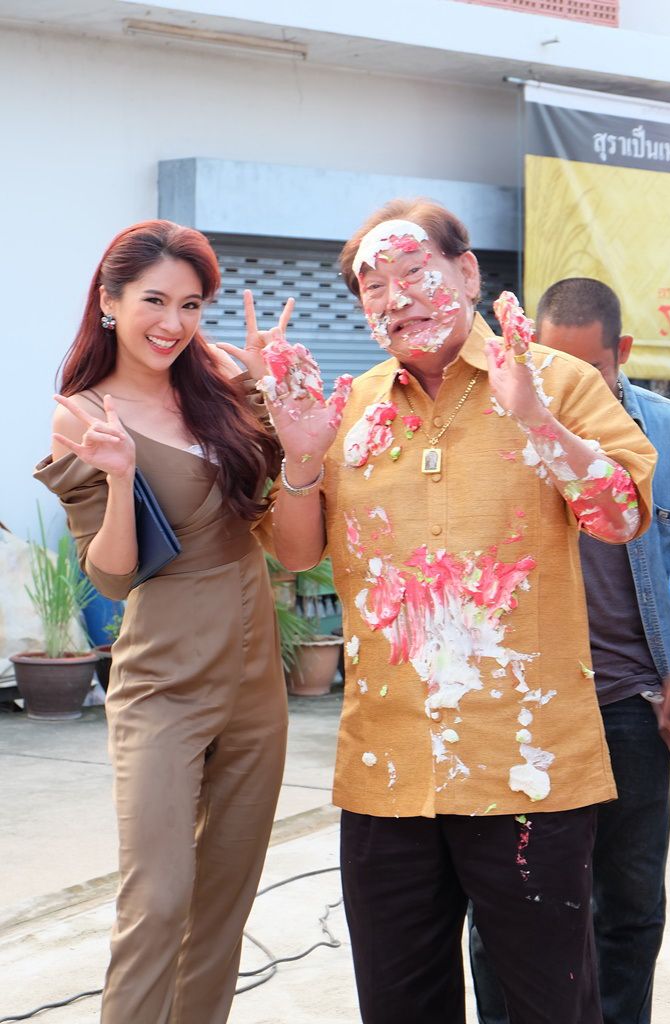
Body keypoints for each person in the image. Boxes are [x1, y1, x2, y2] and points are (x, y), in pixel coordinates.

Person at [260, 199, 657, 1024]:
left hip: (527, 768)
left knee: (549, 1005)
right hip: (387, 768)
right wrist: (299, 457)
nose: (397, 297)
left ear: (467, 272)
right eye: (374, 287)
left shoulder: (554, 380)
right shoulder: (348, 409)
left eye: (415, 272)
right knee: (398, 1003)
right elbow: (295, 555)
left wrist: (534, 418)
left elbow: (619, 517)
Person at [34, 220, 288, 1023]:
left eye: (191, 304)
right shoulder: (83, 413)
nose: (172, 323)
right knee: (159, 899)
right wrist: (118, 479)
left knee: (224, 901)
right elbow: (110, 574)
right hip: (164, 678)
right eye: (154, 300)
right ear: (109, 302)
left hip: (255, 670)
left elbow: (278, 500)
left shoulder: (220, 383)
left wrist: (269, 388)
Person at [469, 277, 670, 1024]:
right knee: (506, 904)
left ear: (622, 352)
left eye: (586, 369)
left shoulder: (669, 432)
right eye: (546, 366)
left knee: (627, 904)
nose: (562, 387)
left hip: (629, 701)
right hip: (521, 707)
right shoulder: (494, 421)